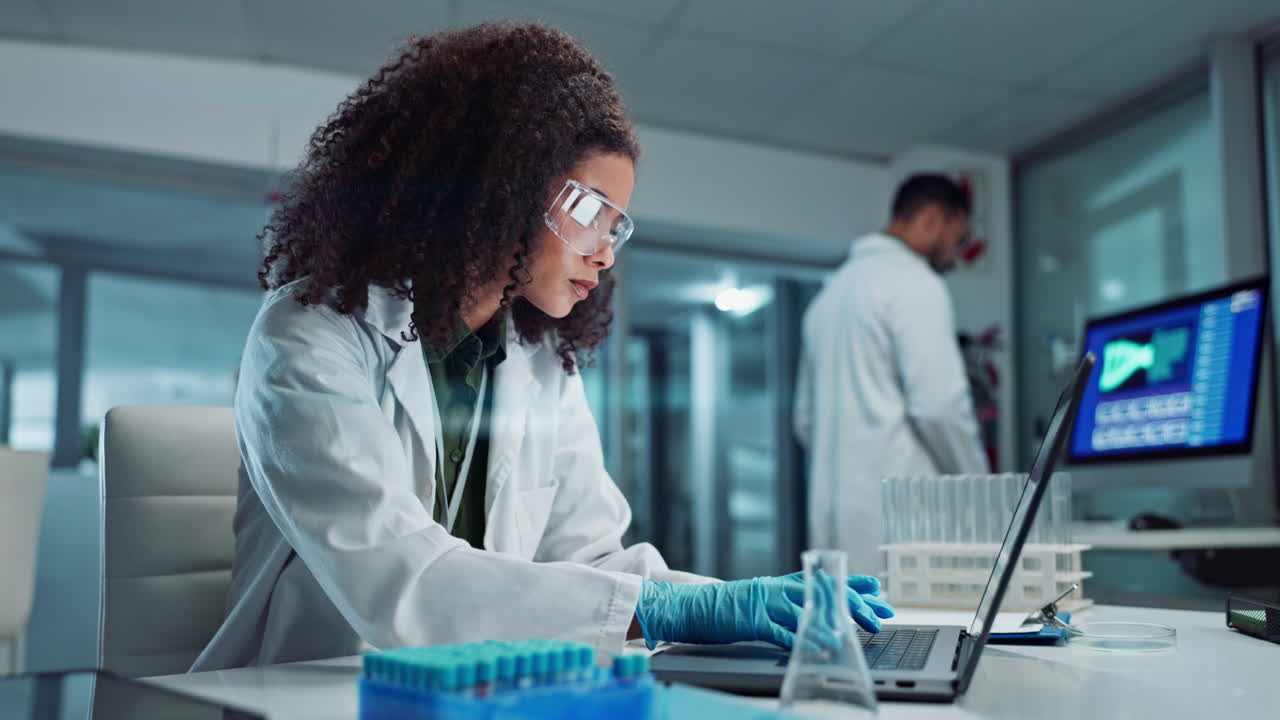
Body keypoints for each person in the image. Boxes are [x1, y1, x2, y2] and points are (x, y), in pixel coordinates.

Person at [192, 23, 892, 672]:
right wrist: (668, 610)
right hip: (311, 687)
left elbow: (588, 560)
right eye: (589, 212)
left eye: (616, 227)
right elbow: (402, 583)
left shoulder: (537, 360)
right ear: (496, 186)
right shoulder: (310, 335)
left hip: (479, 688)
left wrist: (733, 602)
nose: (604, 254)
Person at [793, 174, 989, 574]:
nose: (955, 256)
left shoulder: (828, 297)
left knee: (845, 614)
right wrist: (981, 492)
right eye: (957, 239)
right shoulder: (915, 283)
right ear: (932, 218)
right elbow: (939, 408)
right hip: (902, 522)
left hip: (833, 524)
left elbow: (805, 422)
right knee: (911, 617)